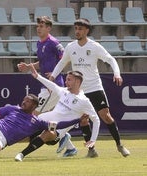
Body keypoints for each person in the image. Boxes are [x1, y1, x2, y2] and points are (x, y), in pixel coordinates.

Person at [50, 18, 130, 157]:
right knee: (84, 119)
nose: (77, 31)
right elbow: (62, 62)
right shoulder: (70, 47)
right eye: (76, 29)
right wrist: (52, 77)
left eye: (80, 29)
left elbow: (110, 59)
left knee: (106, 116)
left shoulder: (94, 46)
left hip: (95, 87)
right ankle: (91, 150)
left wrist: (117, 73)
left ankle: (119, 145)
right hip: (79, 91)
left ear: (87, 30)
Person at [14, 64, 100, 161]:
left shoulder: (84, 101)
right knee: (20, 131)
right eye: (66, 79)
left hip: (57, 131)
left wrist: (93, 140)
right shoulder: (63, 91)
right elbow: (52, 85)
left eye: (69, 80)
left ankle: (21, 155)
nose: (66, 82)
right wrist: (37, 76)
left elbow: (96, 120)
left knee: (48, 133)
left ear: (77, 81)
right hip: (42, 121)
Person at [17, 16, 76, 155]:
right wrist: (29, 66)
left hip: (53, 87)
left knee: (34, 114)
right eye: (38, 26)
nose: (39, 28)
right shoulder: (39, 43)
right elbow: (42, 62)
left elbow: (65, 59)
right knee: (51, 117)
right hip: (46, 85)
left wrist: (55, 73)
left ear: (49, 28)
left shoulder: (54, 43)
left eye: (42, 26)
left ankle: (60, 135)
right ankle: (69, 145)